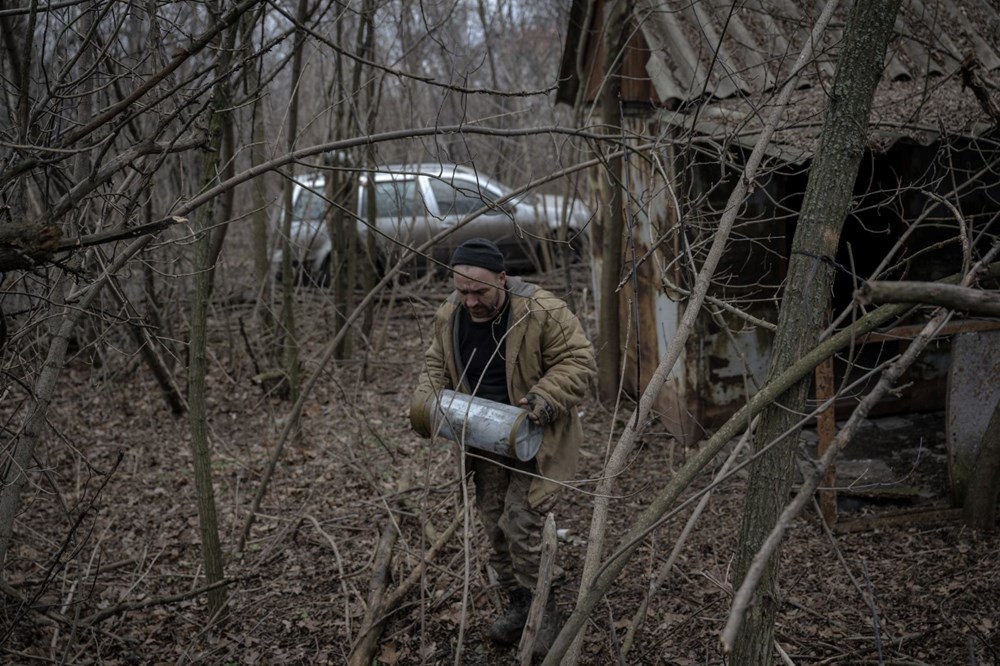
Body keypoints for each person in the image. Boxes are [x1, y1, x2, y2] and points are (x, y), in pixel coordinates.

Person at [410, 238, 596, 655]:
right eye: (462, 291)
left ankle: (545, 612)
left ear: (502, 278)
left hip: (536, 436)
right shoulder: (450, 314)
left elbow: (579, 361)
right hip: (483, 438)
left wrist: (544, 398)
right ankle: (519, 602)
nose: (471, 301)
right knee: (494, 525)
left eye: (480, 291)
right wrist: (425, 403)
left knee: (521, 524)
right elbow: (435, 363)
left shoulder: (541, 311)